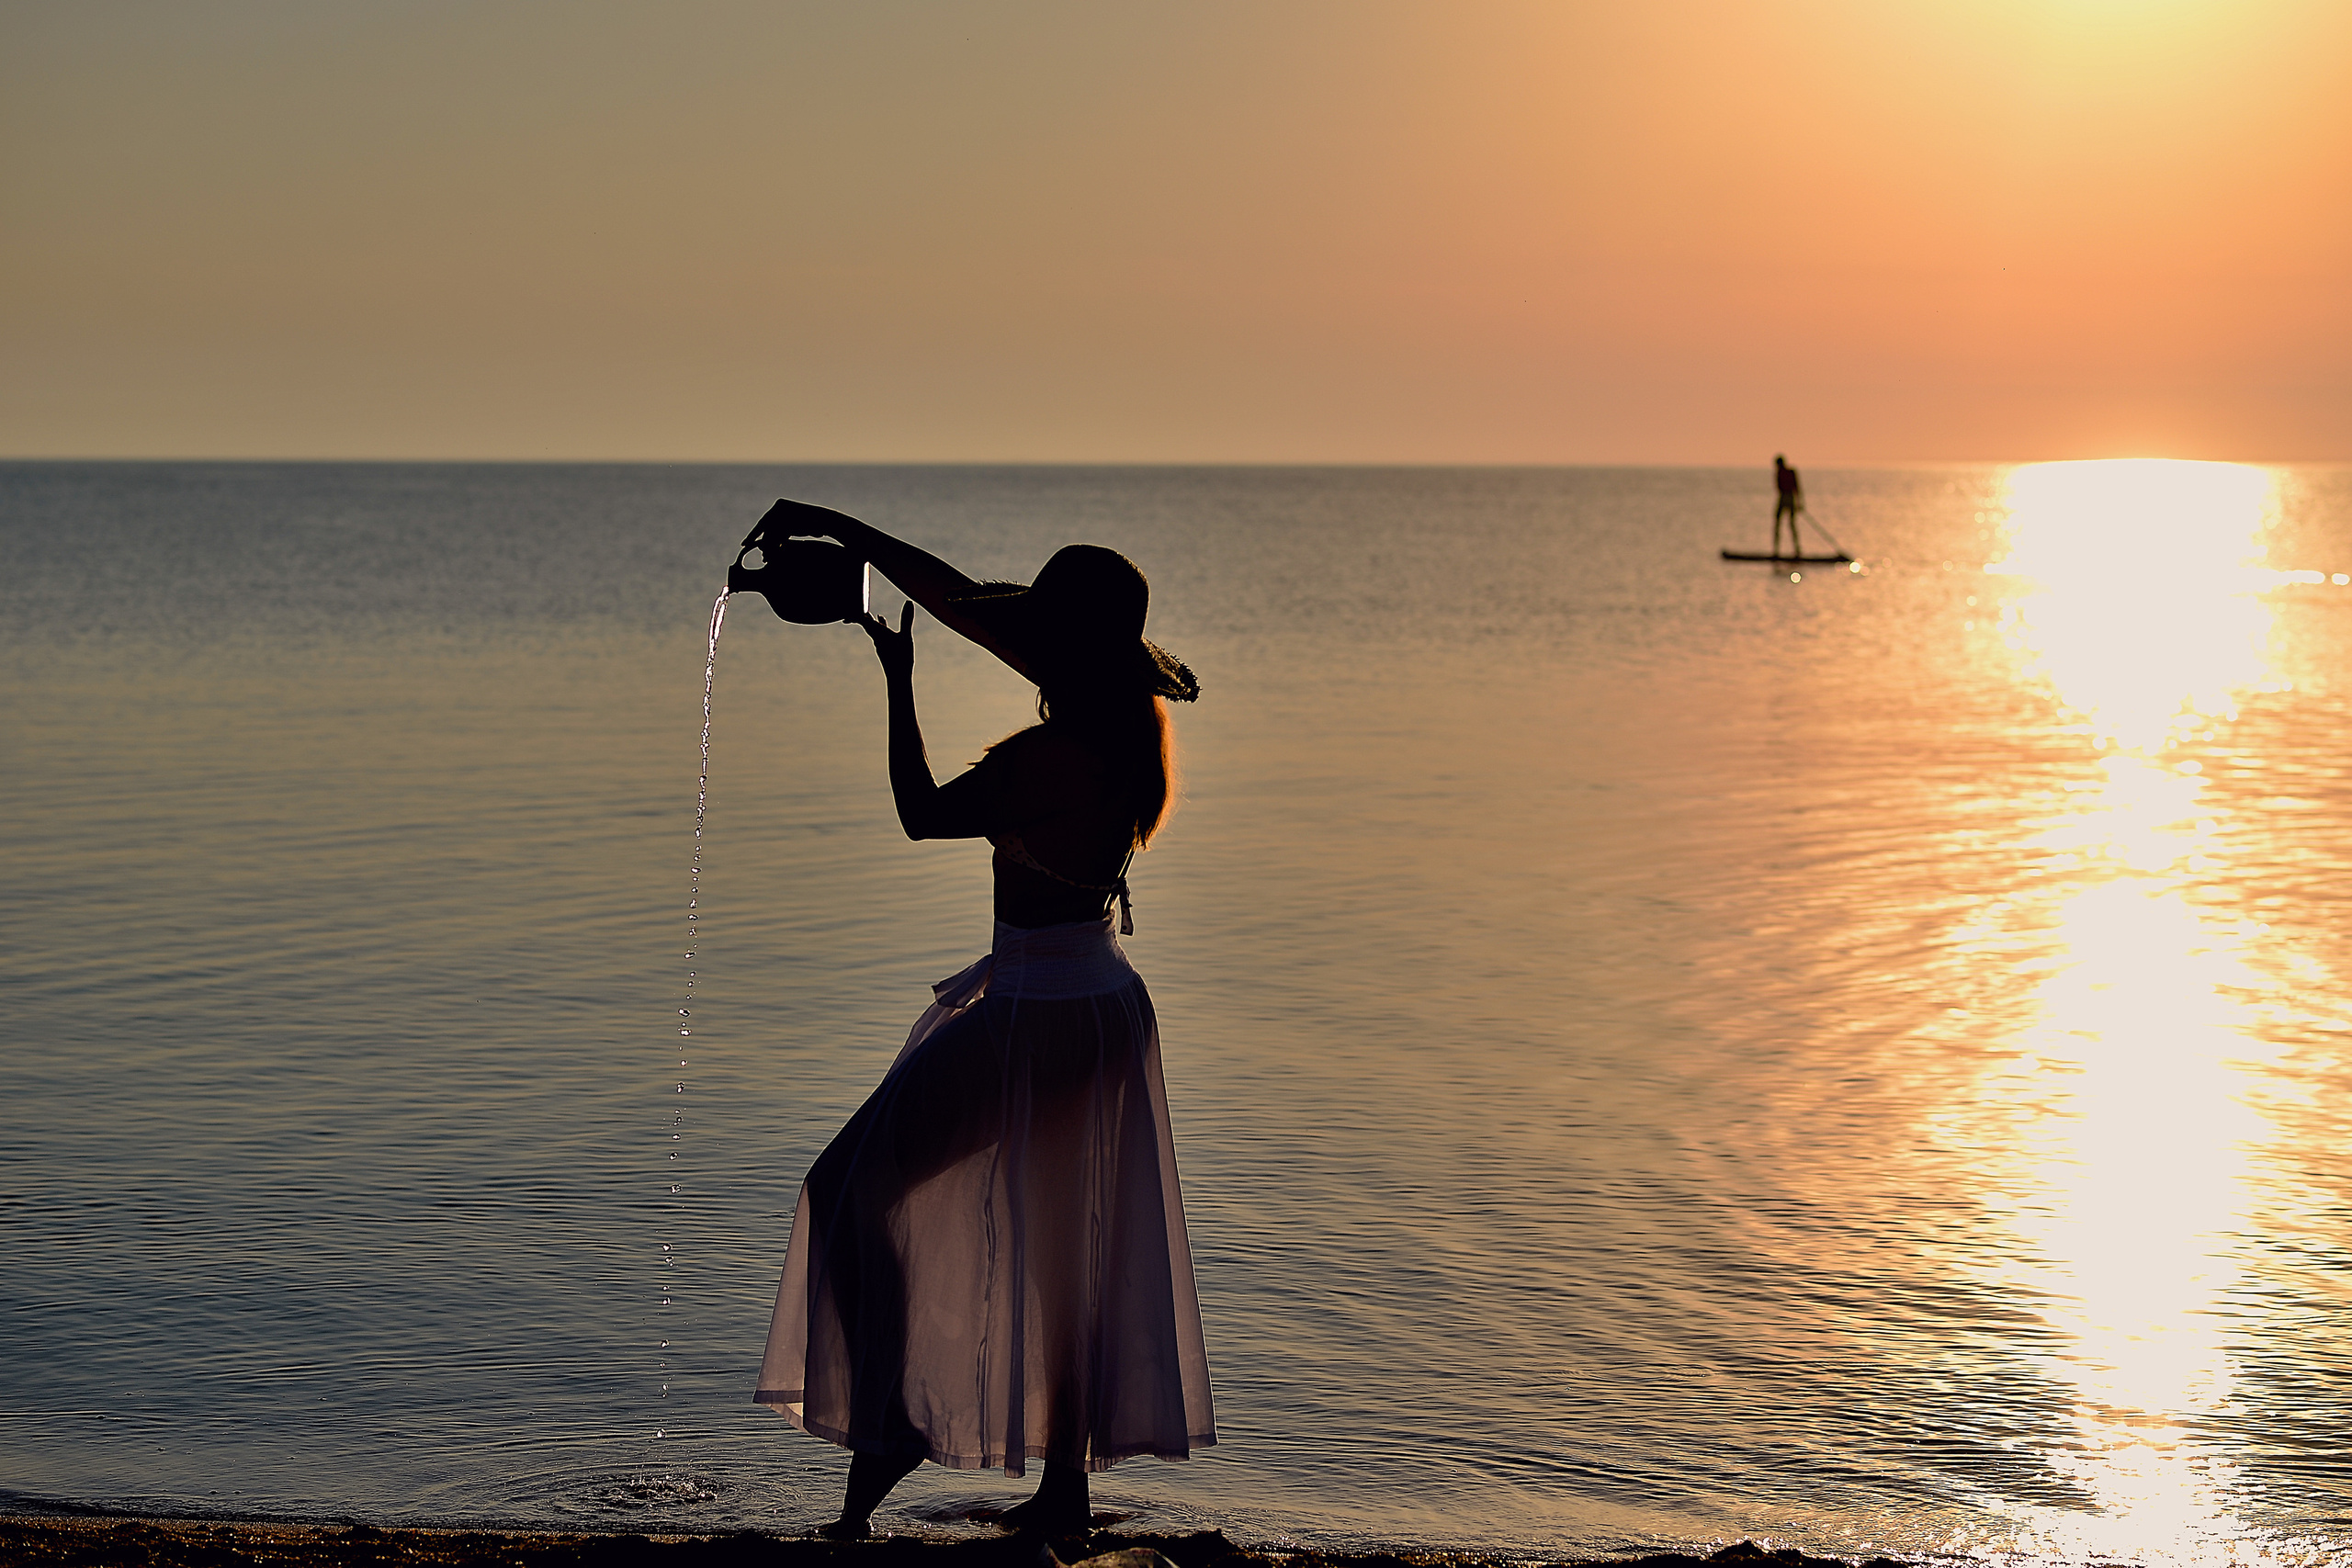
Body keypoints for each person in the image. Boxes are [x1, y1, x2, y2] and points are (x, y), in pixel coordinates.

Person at [746, 500, 1216, 1540]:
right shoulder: (1117, 719)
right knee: (1058, 1258)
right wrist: (847, 533)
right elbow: (960, 601)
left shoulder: (1059, 758)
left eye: (1042, 636)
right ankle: (1063, 1496)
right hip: (1090, 1000)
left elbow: (921, 812)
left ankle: (893, 1421)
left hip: (1039, 1017)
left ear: (1072, 650)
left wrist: (898, 682)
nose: (1022, 649)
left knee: (847, 1188)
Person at [1772, 455, 1804, 558]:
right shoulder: (1780, 473)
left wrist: (1799, 502)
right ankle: (1777, 550)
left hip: (1788, 498)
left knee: (1790, 524)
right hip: (1786, 498)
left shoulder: (1787, 472)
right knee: (1781, 524)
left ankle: (1796, 550)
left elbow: (1796, 487)